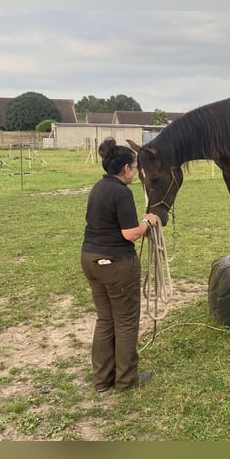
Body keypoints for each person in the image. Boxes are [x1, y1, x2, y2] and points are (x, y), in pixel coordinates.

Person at [81, 137, 158, 392]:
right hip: (116, 264)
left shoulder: (98, 188)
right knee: (125, 322)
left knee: (105, 319)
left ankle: (102, 379)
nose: (136, 173)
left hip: (90, 259)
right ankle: (126, 380)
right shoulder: (121, 192)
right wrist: (148, 222)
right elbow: (130, 233)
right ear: (125, 168)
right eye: (135, 168)